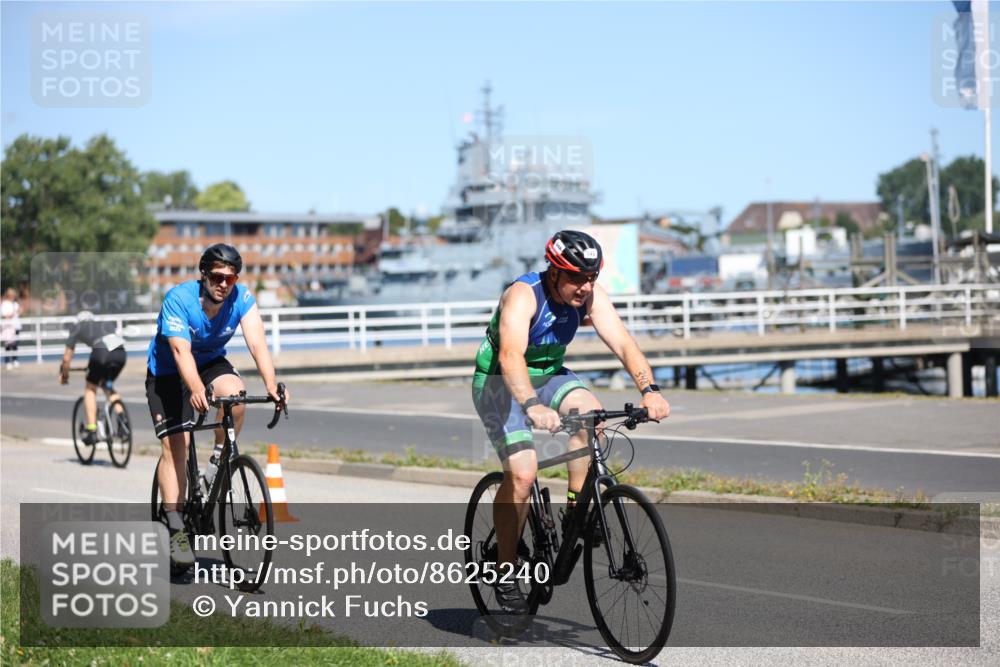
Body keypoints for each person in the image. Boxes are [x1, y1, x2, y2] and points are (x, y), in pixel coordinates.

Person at [472, 230, 670, 614]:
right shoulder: (523, 295)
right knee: (524, 475)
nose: (584, 287)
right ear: (554, 272)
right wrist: (531, 405)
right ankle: (505, 568)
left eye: (590, 278)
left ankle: (575, 510)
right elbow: (512, 356)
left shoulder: (590, 296)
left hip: (549, 373)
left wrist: (650, 390)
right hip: (501, 381)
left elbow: (625, 343)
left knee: (591, 415)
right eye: (576, 278)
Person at [146, 243, 289, 569]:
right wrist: (195, 388)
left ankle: (215, 463)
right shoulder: (179, 299)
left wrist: (271, 385)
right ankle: (176, 525)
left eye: (231, 278)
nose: (224, 283)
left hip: (210, 361)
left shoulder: (242, 298)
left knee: (236, 396)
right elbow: (181, 353)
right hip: (169, 372)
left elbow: (257, 342)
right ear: (204, 274)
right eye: (217, 276)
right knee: (177, 447)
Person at [59, 311, 128, 444]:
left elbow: (67, 357)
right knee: (106, 385)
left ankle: (91, 431)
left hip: (101, 352)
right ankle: (122, 422)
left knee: (90, 388)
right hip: (120, 353)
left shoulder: (77, 326)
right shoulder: (103, 323)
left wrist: (64, 375)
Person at [1, 288, 22, 369]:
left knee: (15, 344)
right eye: (12, 295)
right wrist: (11, 314)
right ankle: (7, 361)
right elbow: (4, 315)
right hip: (8, 327)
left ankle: (15, 360)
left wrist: (19, 311)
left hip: (16, 326)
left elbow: (19, 313)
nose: (13, 297)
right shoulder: (5, 304)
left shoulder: (15, 304)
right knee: (8, 345)